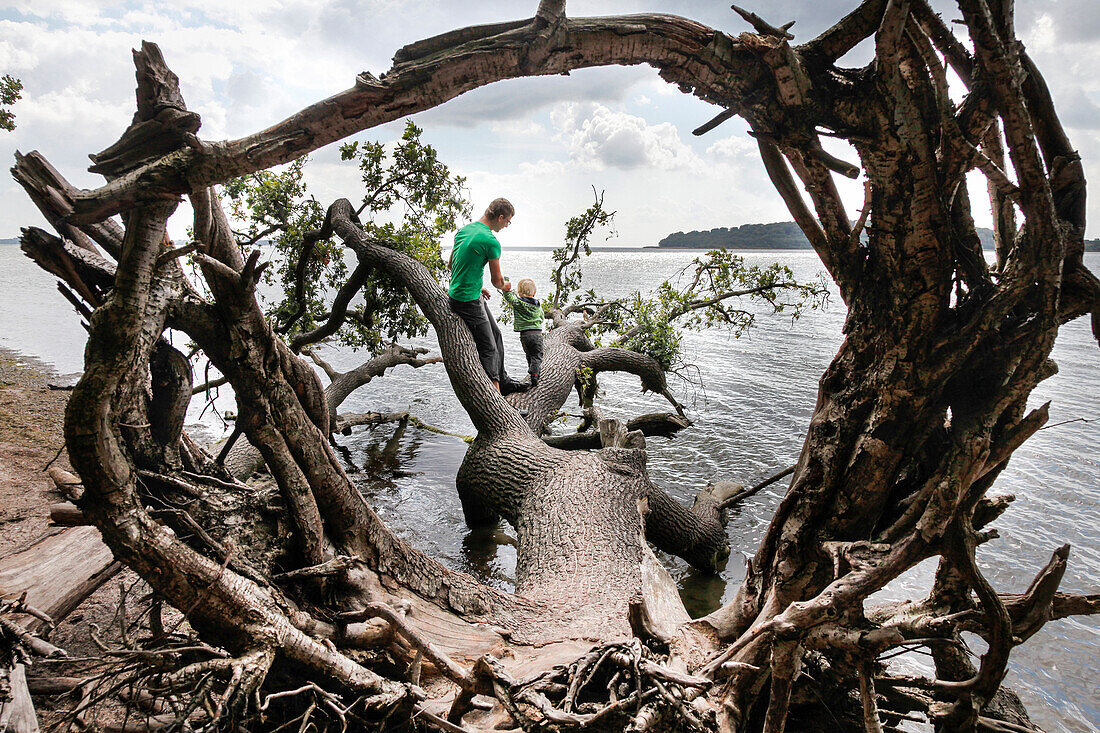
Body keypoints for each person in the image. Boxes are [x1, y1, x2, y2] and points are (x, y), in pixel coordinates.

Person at [448, 198, 529, 394]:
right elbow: (498, 282)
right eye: (508, 221)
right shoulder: (491, 241)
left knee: (497, 335)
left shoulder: (464, 230)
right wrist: (506, 286)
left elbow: (452, 264)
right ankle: (496, 397)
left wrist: (478, 286)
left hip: (463, 293)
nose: (507, 225)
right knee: (489, 349)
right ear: (500, 217)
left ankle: (504, 380)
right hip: (467, 301)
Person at [501, 278, 544, 387]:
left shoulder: (518, 303)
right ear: (534, 293)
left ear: (519, 293)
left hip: (524, 335)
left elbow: (509, 298)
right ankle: (534, 374)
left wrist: (506, 290)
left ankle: (531, 369)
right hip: (537, 334)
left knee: (529, 354)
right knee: (537, 355)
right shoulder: (538, 306)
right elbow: (542, 318)